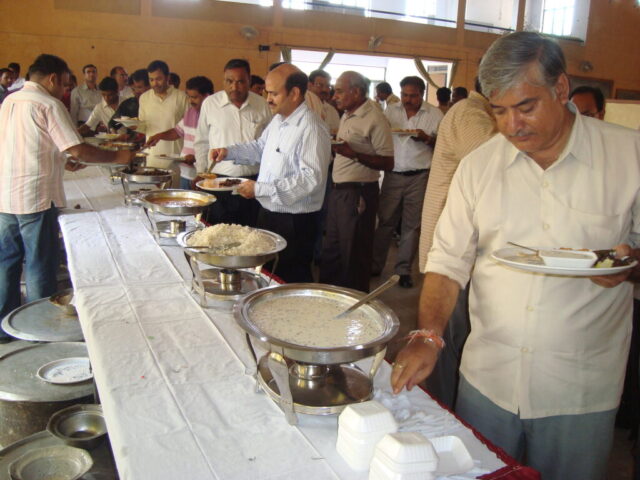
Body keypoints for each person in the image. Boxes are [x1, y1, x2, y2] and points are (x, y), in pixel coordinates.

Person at [391, 31, 640, 480]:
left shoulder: (628, 155)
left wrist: (629, 265)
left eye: (526, 107)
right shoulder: (480, 166)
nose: (512, 126)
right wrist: (428, 334)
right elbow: (447, 261)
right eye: (499, 110)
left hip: (580, 389)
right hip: (489, 380)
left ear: (560, 88)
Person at [0, 54, 135, 338]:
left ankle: (4, 327)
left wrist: (61, 161)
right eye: (63, 84)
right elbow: (79, 149)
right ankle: (42, 330)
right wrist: (118, 157)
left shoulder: (10, 100)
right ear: (52, 79)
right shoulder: (48, 104)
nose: (64, 90)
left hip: (6, 196)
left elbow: (26, 144)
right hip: (35, 197)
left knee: (7, 262)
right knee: (39, 264)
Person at [209, 64, 331, 282]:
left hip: (295, 221)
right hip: (269, 212)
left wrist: (260, 189)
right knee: (269, 274)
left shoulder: (311, 127)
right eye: (267, 93)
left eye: (274, 93)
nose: (268, 99)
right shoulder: (278, 120)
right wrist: (228, 152)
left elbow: (310, 178)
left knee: (289, 278)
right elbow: (260, 148)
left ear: (294, 93)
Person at [418, 78, 497, 409]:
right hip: (454, 252)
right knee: (450, 341)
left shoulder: (478, 113)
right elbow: (499, 166)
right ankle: (446, 413)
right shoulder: (471, 114)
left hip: (458, 246)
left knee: (455, 337)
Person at [319, 71, 394, 293]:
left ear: (357, 92)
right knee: (333, 252)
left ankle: (355, 304)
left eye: (339, 91)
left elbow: (388, 162)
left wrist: (353, 154)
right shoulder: (347, 113)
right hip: (339, 192)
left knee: (354, 255)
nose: (334, 96)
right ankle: (329, 301)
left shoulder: (374, 118)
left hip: (358, 194)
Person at [372, 76, 443, 289]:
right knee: (385, 221)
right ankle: (375, 265)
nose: (407, 100)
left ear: (422, 94)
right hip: (393, 174)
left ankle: (403, 270)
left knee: (412, 225)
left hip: (419, 176)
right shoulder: (391, 111)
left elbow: (443, 145)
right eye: (404, 95)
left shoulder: (434, 114)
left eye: (413, 96)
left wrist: (427, 139)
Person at [194, 59, 271, 226]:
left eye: (240, 81)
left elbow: (269, 143)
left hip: (252, 182)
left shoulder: (262, 105)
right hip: (219, 182)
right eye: (229, 81)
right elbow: (201, 141)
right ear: (223, 80)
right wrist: (202, 172)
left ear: (249, 80)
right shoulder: (210, 104)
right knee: (217, 231)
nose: (234, 87)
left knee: (249, 232)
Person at [145, 76, 214, 189]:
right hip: (185, 173)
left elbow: (217, 147)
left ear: (207, 97)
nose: (190, 101)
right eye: (189, 97)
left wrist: (196, 157)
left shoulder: (215, 117)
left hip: (204, 176)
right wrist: (159, 136)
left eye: (194, 97)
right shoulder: (191, 112)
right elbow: (177, 132)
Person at [138, 60, 189, 161]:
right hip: (152, 157)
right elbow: (142, 127)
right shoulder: (144, 98)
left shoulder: (182, 97)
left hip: (176, 157)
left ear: (168, 77)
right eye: (151, 80)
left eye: (158, 79)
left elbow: (188, 129)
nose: (155, 83)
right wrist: (133, 126)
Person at [108, 69, 150, 133]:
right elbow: (112, 124)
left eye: (139, 87)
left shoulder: (156, 103)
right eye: (133, 89)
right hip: (133, 138)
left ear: (149, 86)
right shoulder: (128, 104)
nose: (136, 91)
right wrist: (114, 134)